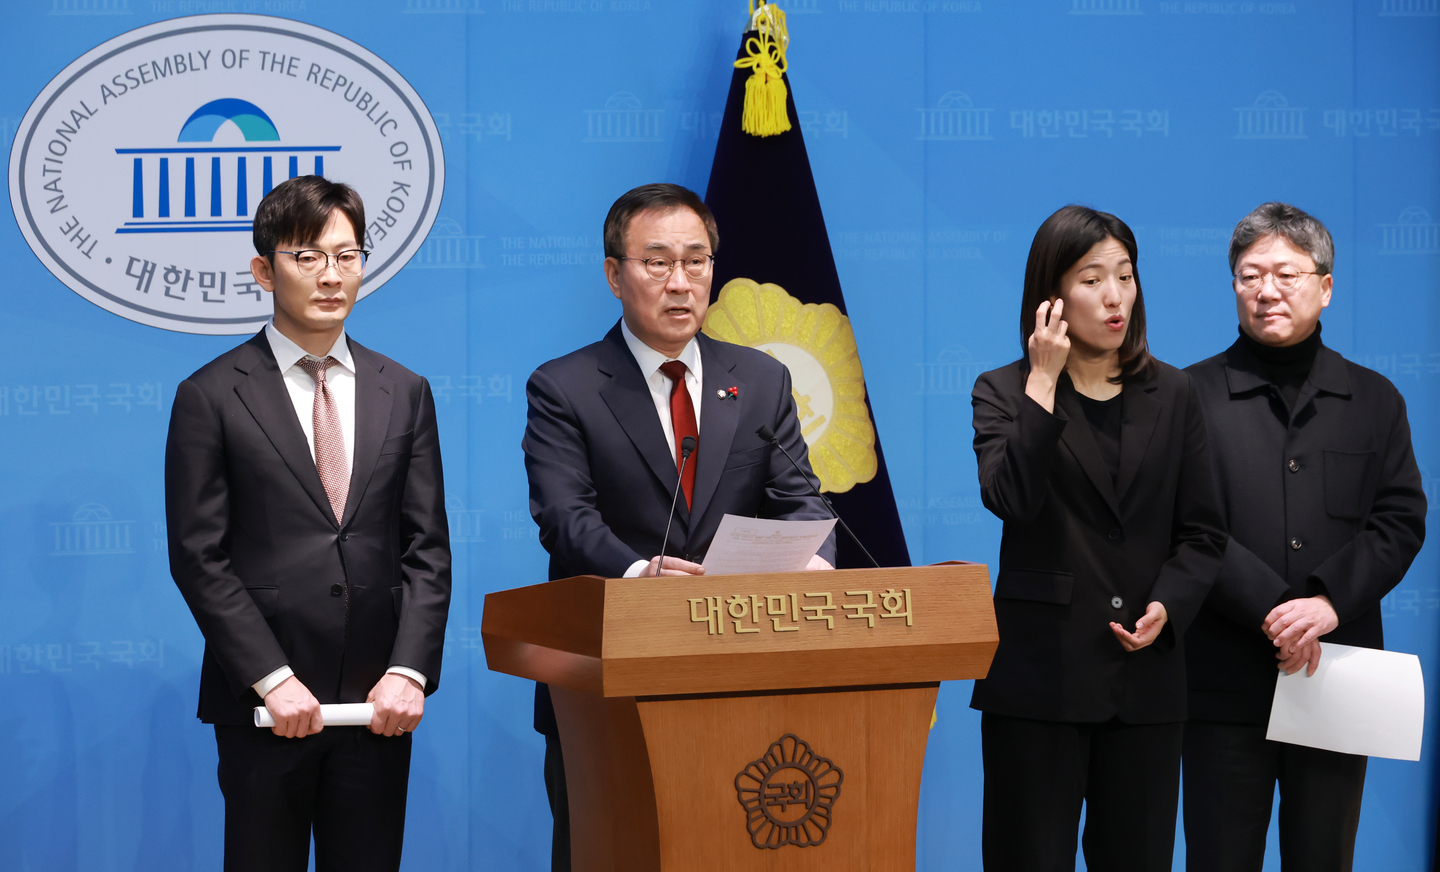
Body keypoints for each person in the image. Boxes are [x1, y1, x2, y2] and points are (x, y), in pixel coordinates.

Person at [522, 182, 836, 870]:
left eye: (696, 262)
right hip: (607, 682)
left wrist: (815, 557)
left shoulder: (759, 380)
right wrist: (639, 575)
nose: (680, 282)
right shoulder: (564, 387)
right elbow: (564, 517)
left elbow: (803, 500)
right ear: (614, 274)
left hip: (741, 675)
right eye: (657, 262)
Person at [165, 176, 452, 871]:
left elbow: (427, 549)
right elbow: (199, 555)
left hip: (378, 705)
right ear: (265, 270)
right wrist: (271, 677)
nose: (332, 276)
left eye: (348, 256)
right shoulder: (210, 395)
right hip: (267, 708)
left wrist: (409, 671)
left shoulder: (404, 390)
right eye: (308, 257)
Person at [969, 205, 1226, 872]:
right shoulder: (1004, 392)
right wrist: (1042, 384)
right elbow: (1012, 500)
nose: (1115, 297)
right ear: (1050, 295)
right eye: (1091, 280)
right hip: (1040, 680)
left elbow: (1203, 531)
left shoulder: (1175, 393)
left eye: (1125, 276)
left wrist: (1169, 604)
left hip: (1146, 683)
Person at [1182, 202, 1425, 872]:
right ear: (1232, 284)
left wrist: (1324, 603)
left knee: (1324, 858)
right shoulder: (1186, 397)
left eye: (1285, 274)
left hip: (1337, 675)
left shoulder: (1375, 400)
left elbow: (1401, 518)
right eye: (1249, 274)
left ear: (1325, 286)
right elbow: (1184, 523)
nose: (1266, 290)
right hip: (1221, 683)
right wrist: (1272, 608)